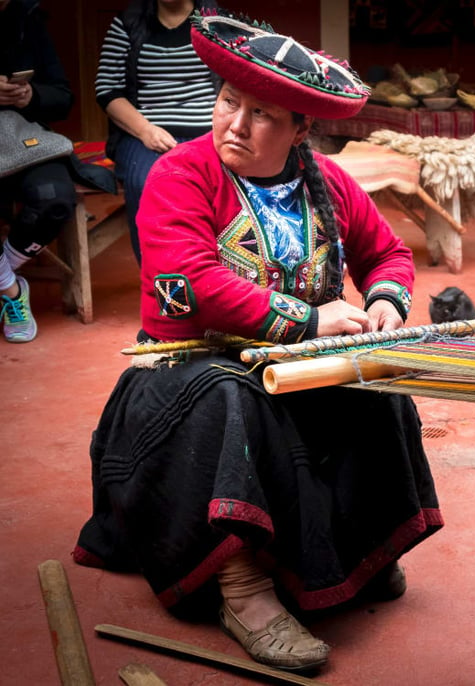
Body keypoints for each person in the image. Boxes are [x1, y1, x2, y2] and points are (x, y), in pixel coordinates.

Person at [73, 10, 442, 673]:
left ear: (302, 128)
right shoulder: (180, 175)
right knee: (230, 400)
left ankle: (359, 554)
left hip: (289, 360)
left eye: (262, 114)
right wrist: (308, 321)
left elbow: (385, 255)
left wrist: (385, 302)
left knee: (378, 382)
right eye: (227, 102)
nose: (233, 125)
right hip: (185, 374)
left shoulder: (328, 183)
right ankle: (241, 589)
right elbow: (191, 281)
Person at [96, 0, 219, 264]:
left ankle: (215, 275)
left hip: (211, 133)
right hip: (145, 135)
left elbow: (237, 79)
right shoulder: (127, 24)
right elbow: (107, 90)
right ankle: (158, 282)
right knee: (148, 182)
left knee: (222, 186)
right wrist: (145, 131)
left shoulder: (216, 22)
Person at [0, 0, 76, 343]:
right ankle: (12, 291)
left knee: (55, 198)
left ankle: (4, 272)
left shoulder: (28, 18)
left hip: (26, 140)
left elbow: (62, 97)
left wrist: (30, 95)